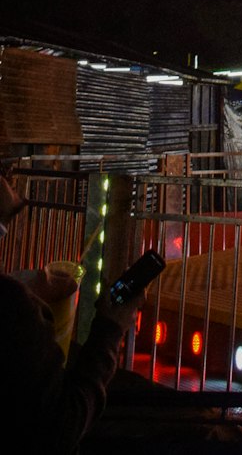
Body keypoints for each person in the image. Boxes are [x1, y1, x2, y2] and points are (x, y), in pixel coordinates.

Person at [0, 160, 147, 452]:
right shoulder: (12, 309)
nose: (9, 172)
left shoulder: (14, 302)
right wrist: (110, 327)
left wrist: (25, 290)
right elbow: (63, 427)